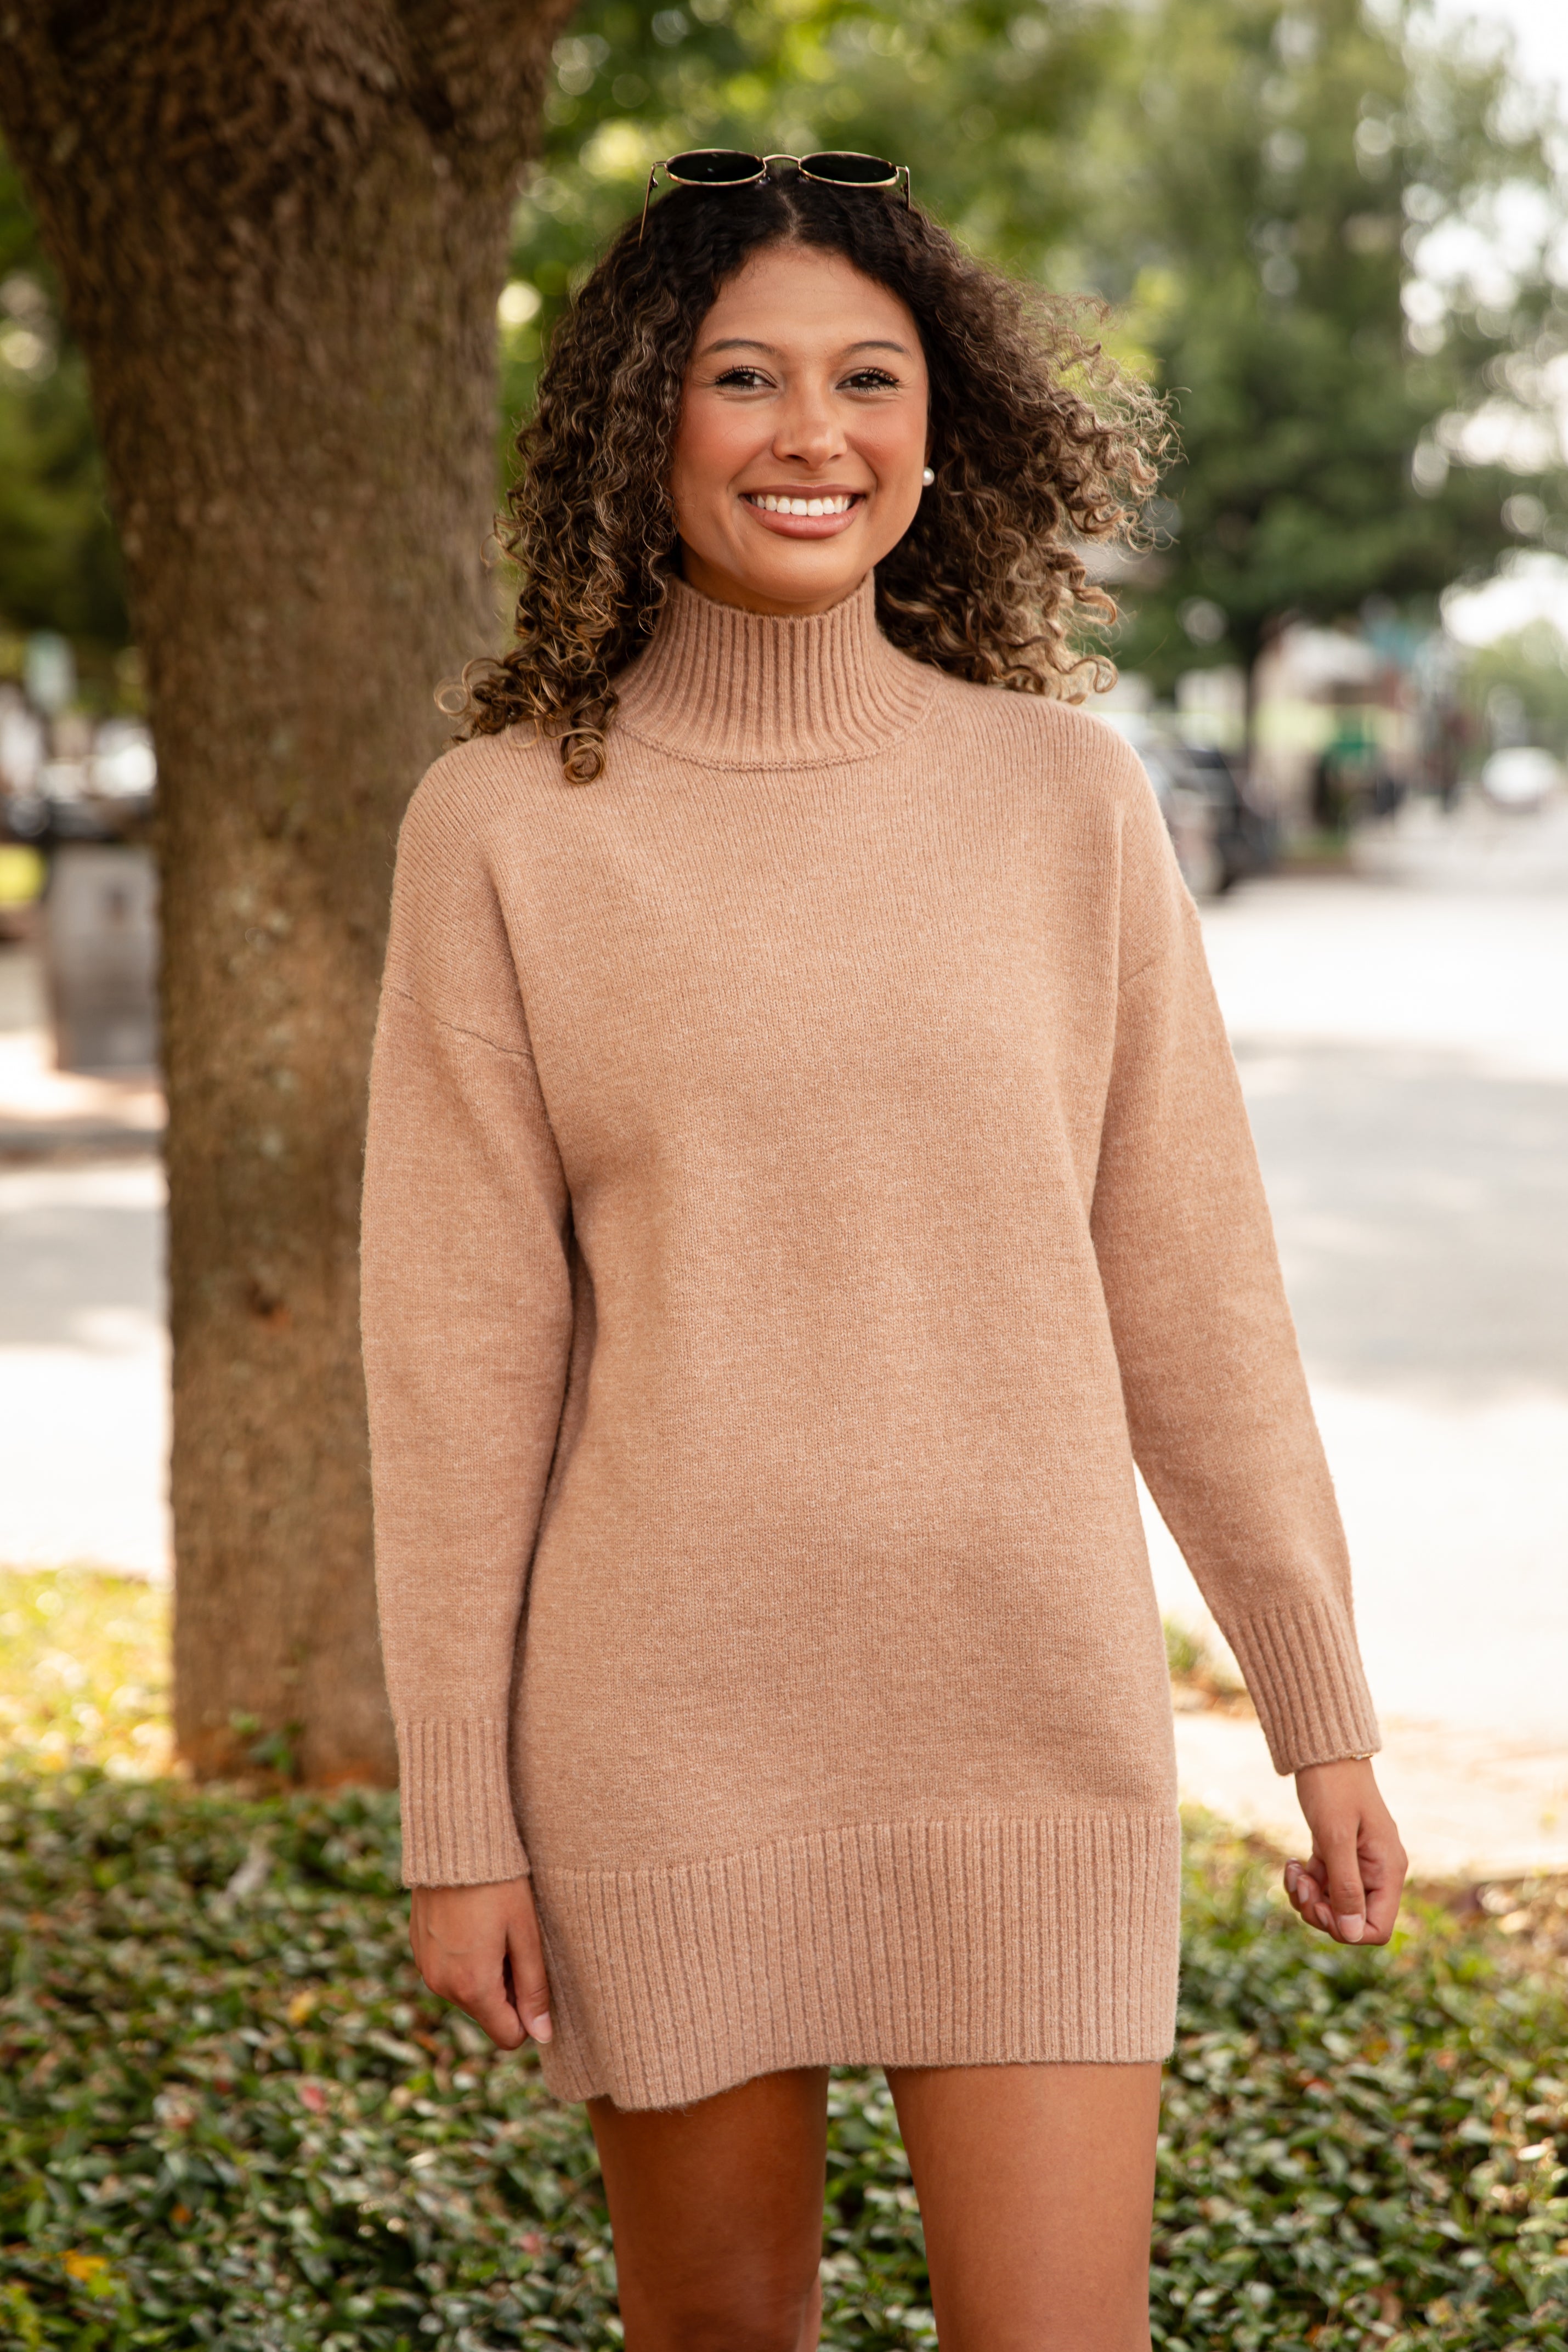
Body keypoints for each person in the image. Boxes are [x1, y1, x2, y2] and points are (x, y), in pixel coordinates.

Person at [360, 154, 1407, 2352]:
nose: (810, 433)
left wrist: (1313, 1709)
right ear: (646, 419)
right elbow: (457, 1366)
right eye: (742, 376)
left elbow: (1194, 1294)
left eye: (868, 378)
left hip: (1030, 1719)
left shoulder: (1065, 802)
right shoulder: (505, 828)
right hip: (664, 1736)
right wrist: (461, 1823)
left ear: (944, 430)